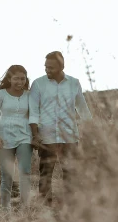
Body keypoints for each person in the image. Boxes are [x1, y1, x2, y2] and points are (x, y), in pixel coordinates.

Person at [28, 51, 93, 208]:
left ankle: (70, 208)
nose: (47, 70)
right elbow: (33, 112)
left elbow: (83, 109)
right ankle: (46, 209)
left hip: (69, 138)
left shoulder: (74, 83)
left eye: (51, 67)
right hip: (46, 138)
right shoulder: (38, 84)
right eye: (45, 67)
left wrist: (92, 133)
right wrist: (35, 135)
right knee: (45, 175)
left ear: (61, 66)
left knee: (71, 174)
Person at [0, 64, 32, 211]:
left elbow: (35, 115)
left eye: (23, 79)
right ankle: (5, 208)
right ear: (9, 79)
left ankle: (25, 208)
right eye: (16, 78)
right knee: (7, 175)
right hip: (4, 137)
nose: (20, 82)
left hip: (25, 136)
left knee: (25, 171)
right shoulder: (1, 94)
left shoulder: (29, 95)